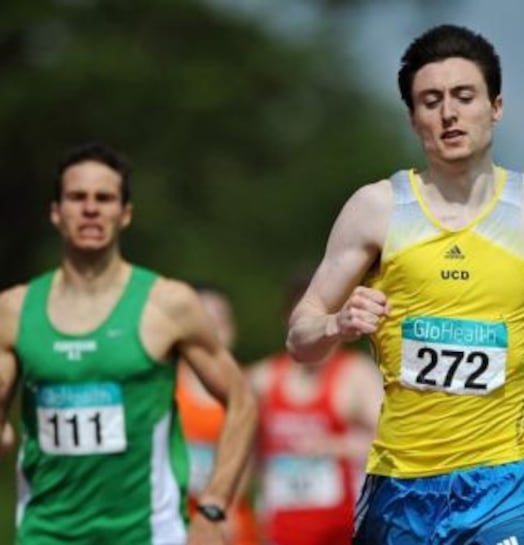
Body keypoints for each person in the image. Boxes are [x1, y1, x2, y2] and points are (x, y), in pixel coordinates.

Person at [285, 24, 524, 545]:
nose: (448, 113)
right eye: (430, 101)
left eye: (463, 96)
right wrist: (338, 323)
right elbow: (299, 337)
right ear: (413, 118)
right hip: (402, 483)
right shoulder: (375, 209)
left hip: (506, 477)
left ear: (495, 106)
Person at [0, 143, 258, 545]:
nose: (90, 209)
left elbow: (242, 401)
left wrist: (213, 507)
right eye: (77, 197)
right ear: (56, 212)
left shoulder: (168, 304)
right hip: (45, 532)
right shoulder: (14, 311)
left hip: (147, 533)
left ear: (125, 214)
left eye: (104, 198)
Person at [249, 273, 382, 545]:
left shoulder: (356, 375)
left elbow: (393, 442)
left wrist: (338, 446)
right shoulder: (262, 378)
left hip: (342, 531)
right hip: (278, 531)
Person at [175, 286, 260, 545]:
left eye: (220, 322)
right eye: (204, 322)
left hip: (228, 523)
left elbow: (256, 456)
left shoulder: (251, 386)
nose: (212, 331)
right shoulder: (162, 385)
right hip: (174, 521)